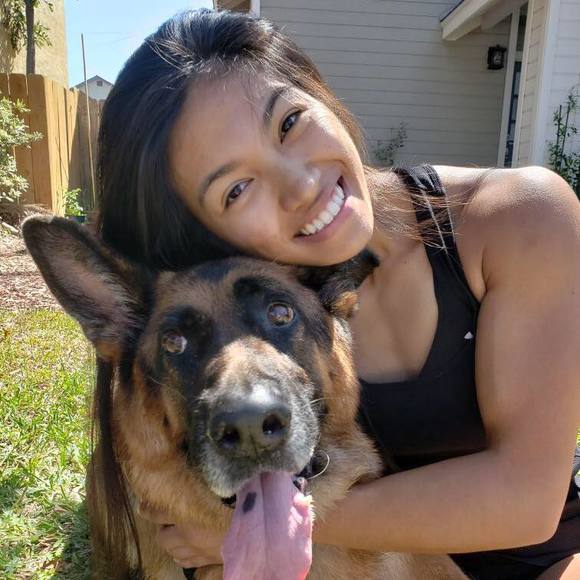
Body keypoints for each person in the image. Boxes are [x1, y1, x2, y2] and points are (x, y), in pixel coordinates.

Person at [96, 9, 580, 580]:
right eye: (237, 189)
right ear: (196, 234)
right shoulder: (235, 317)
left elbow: (529, 503)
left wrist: (245, 528)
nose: (302, 185)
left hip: (538, 560)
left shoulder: (522, 218)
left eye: (289, 122)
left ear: (319, 93)